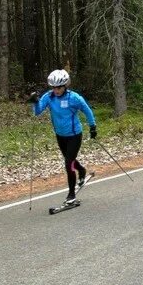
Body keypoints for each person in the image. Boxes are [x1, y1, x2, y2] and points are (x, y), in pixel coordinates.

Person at [30, 69, 97, 206]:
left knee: (68, 164)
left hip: (74, 135)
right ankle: (82, 170)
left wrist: (92, 126)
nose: (56, 90)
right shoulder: (49, 97)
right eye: (54, 87)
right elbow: (37, 112)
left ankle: (71, 194)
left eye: (59, 87)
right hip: (60, 135)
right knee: (70, 160)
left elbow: (87, 111)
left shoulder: (74, 98)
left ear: (65, 85)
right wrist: (35, 102)